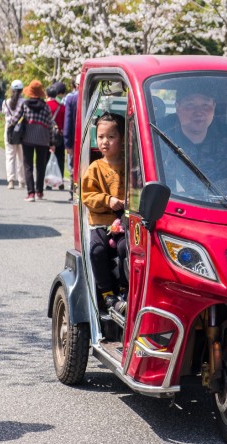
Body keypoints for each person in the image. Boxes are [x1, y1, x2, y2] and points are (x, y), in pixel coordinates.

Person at [81, 112, 127, 313]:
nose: (105, 142)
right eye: (100, 137)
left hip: (125, 223)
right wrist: (108, 200)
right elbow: (88, 196)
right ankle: (107, 295)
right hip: (101, 222)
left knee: (127, 248)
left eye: (111, 137)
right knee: (97, 251)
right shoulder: (95, 168)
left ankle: (125, 291)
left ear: (123, 138)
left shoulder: (132, 166)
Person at [12, 80, 56, 202]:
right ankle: (40, 192)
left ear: (30, 92)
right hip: (43, 139)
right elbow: (51, 125)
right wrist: (52, 142)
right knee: (40, 166)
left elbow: (15, 118)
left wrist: (11, 125)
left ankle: (31, 193)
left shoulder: (25, 104)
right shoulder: (46, 107)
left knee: (28, 166)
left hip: (27, 138)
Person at [2, 80, 26, 189]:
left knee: (10, 156)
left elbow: (4, 114)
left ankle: (11, 180)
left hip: (9, 129)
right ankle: (22, 181)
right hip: (21, 129)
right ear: (21, 90)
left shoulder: (6, 102)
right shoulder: (25, 102)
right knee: (21, 156)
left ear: (12, 90)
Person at [45, 85, 65, 190]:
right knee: (60, 159)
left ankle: (49, 183)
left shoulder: (45, 106)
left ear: (47, 94)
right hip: (59, 135)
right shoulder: (62, 107)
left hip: (47, 136)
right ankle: (60, 182)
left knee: (48, 159)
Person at [63, 78, 79, 201]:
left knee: (73, 166)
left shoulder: (71, 99)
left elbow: (68, 122)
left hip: (75, 140)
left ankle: (73, 191)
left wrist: (67, 143)